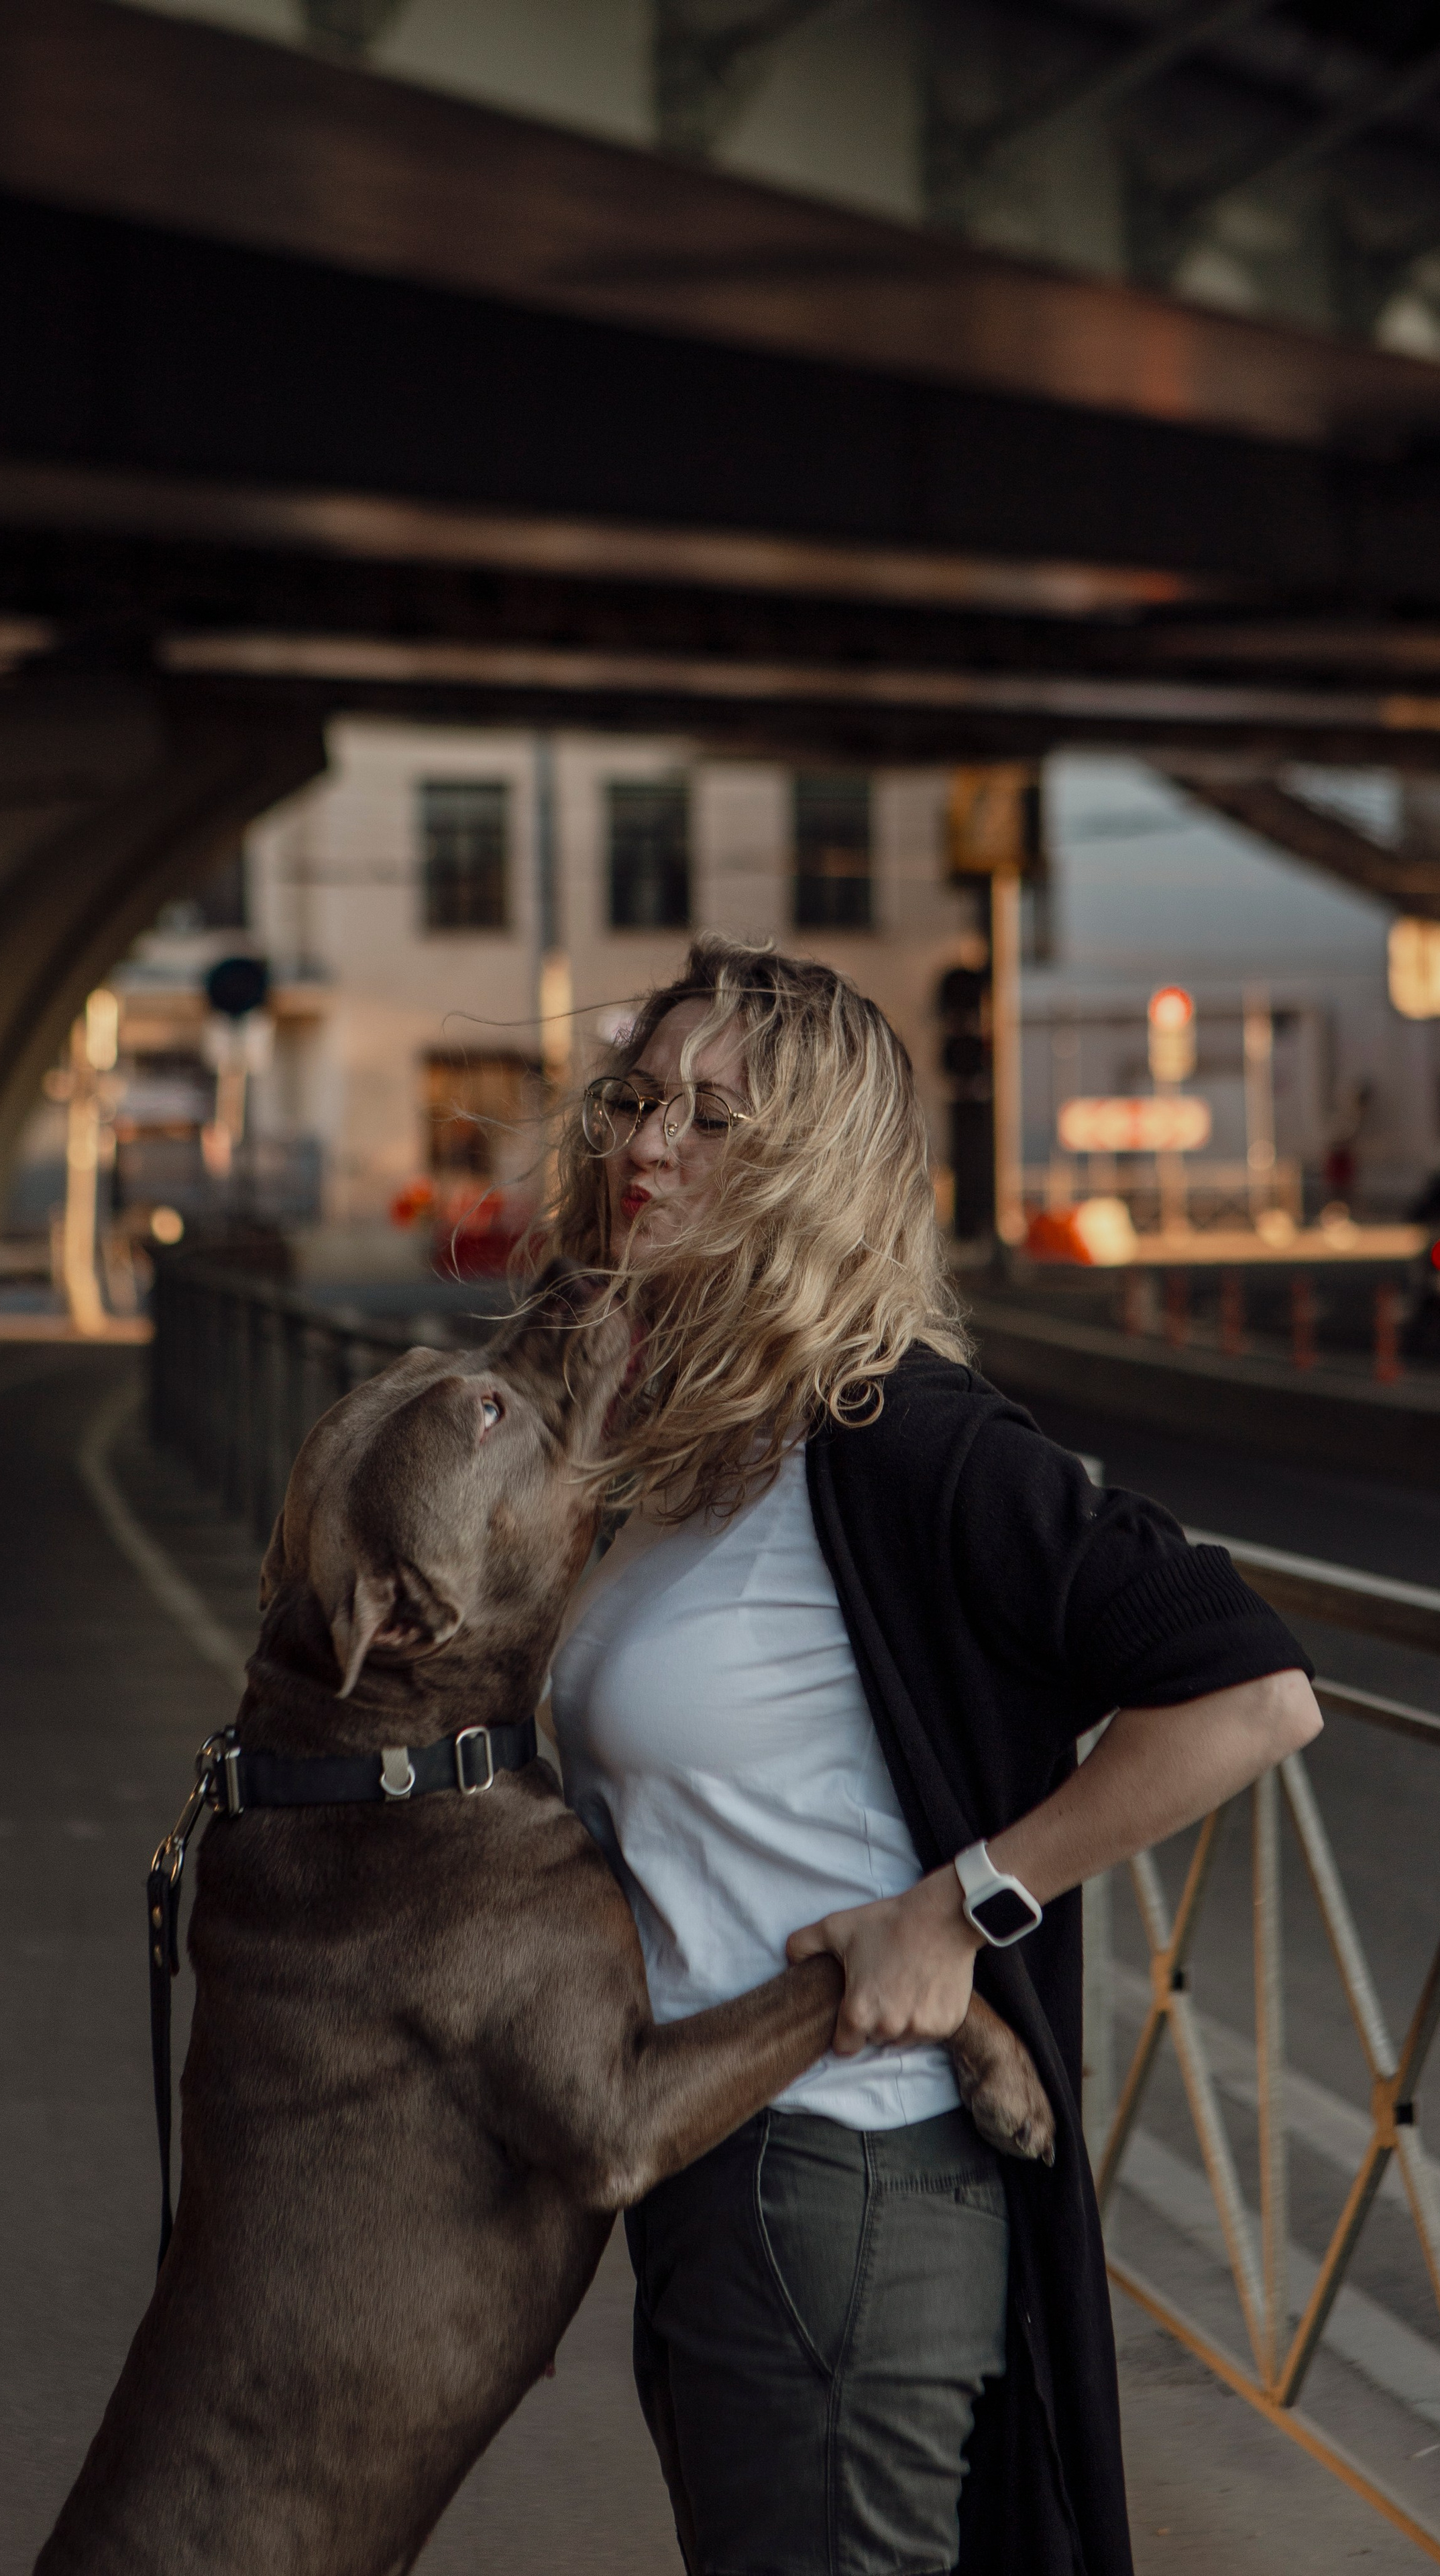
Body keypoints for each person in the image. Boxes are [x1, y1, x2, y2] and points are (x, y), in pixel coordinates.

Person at [541, 938, 1319, 2576]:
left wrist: (959, 1909)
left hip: (841, 2173)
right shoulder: (709, 1450)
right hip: (712, 2161)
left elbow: (1251, 1691)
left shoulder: (900, 1427)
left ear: (817, 1169)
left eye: (711, 1118)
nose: (646, 1143)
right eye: (635, 1098)